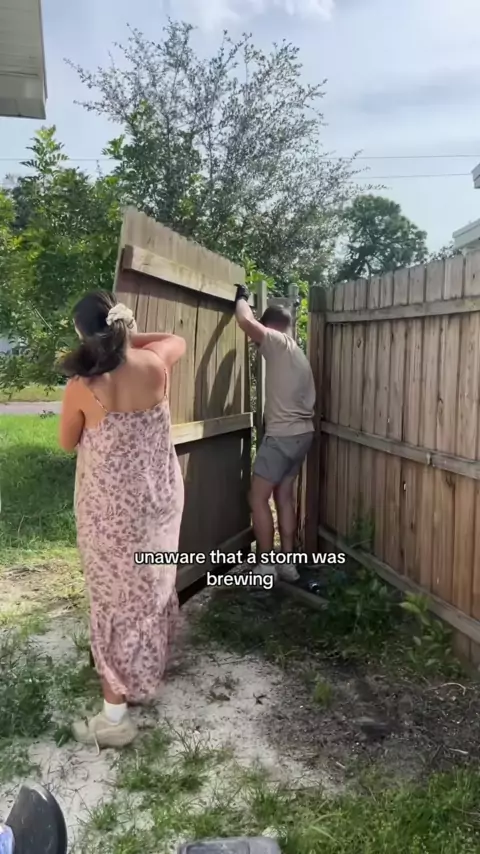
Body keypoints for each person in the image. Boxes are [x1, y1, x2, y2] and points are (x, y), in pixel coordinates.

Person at [58, 291, 186, 749]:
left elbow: (67, 442)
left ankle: (115, 718)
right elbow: (176, 339)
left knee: (112, 601)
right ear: (121, 323)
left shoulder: (83, 385)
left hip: (111, 515)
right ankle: (144, 678)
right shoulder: (156, 364)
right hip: (158, 503)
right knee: (150, 590)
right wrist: (128, 337)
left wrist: (107, 343)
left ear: (83, 334)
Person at [234, 284, 315, 583]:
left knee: (257, 498)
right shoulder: (297, 354)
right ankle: (287, 564)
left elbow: (245, 322)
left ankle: (267, 565)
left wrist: (242, 299)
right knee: (284, 497)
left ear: (271, 327)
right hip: (302, 436)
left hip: (281, 438)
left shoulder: (279, 343)